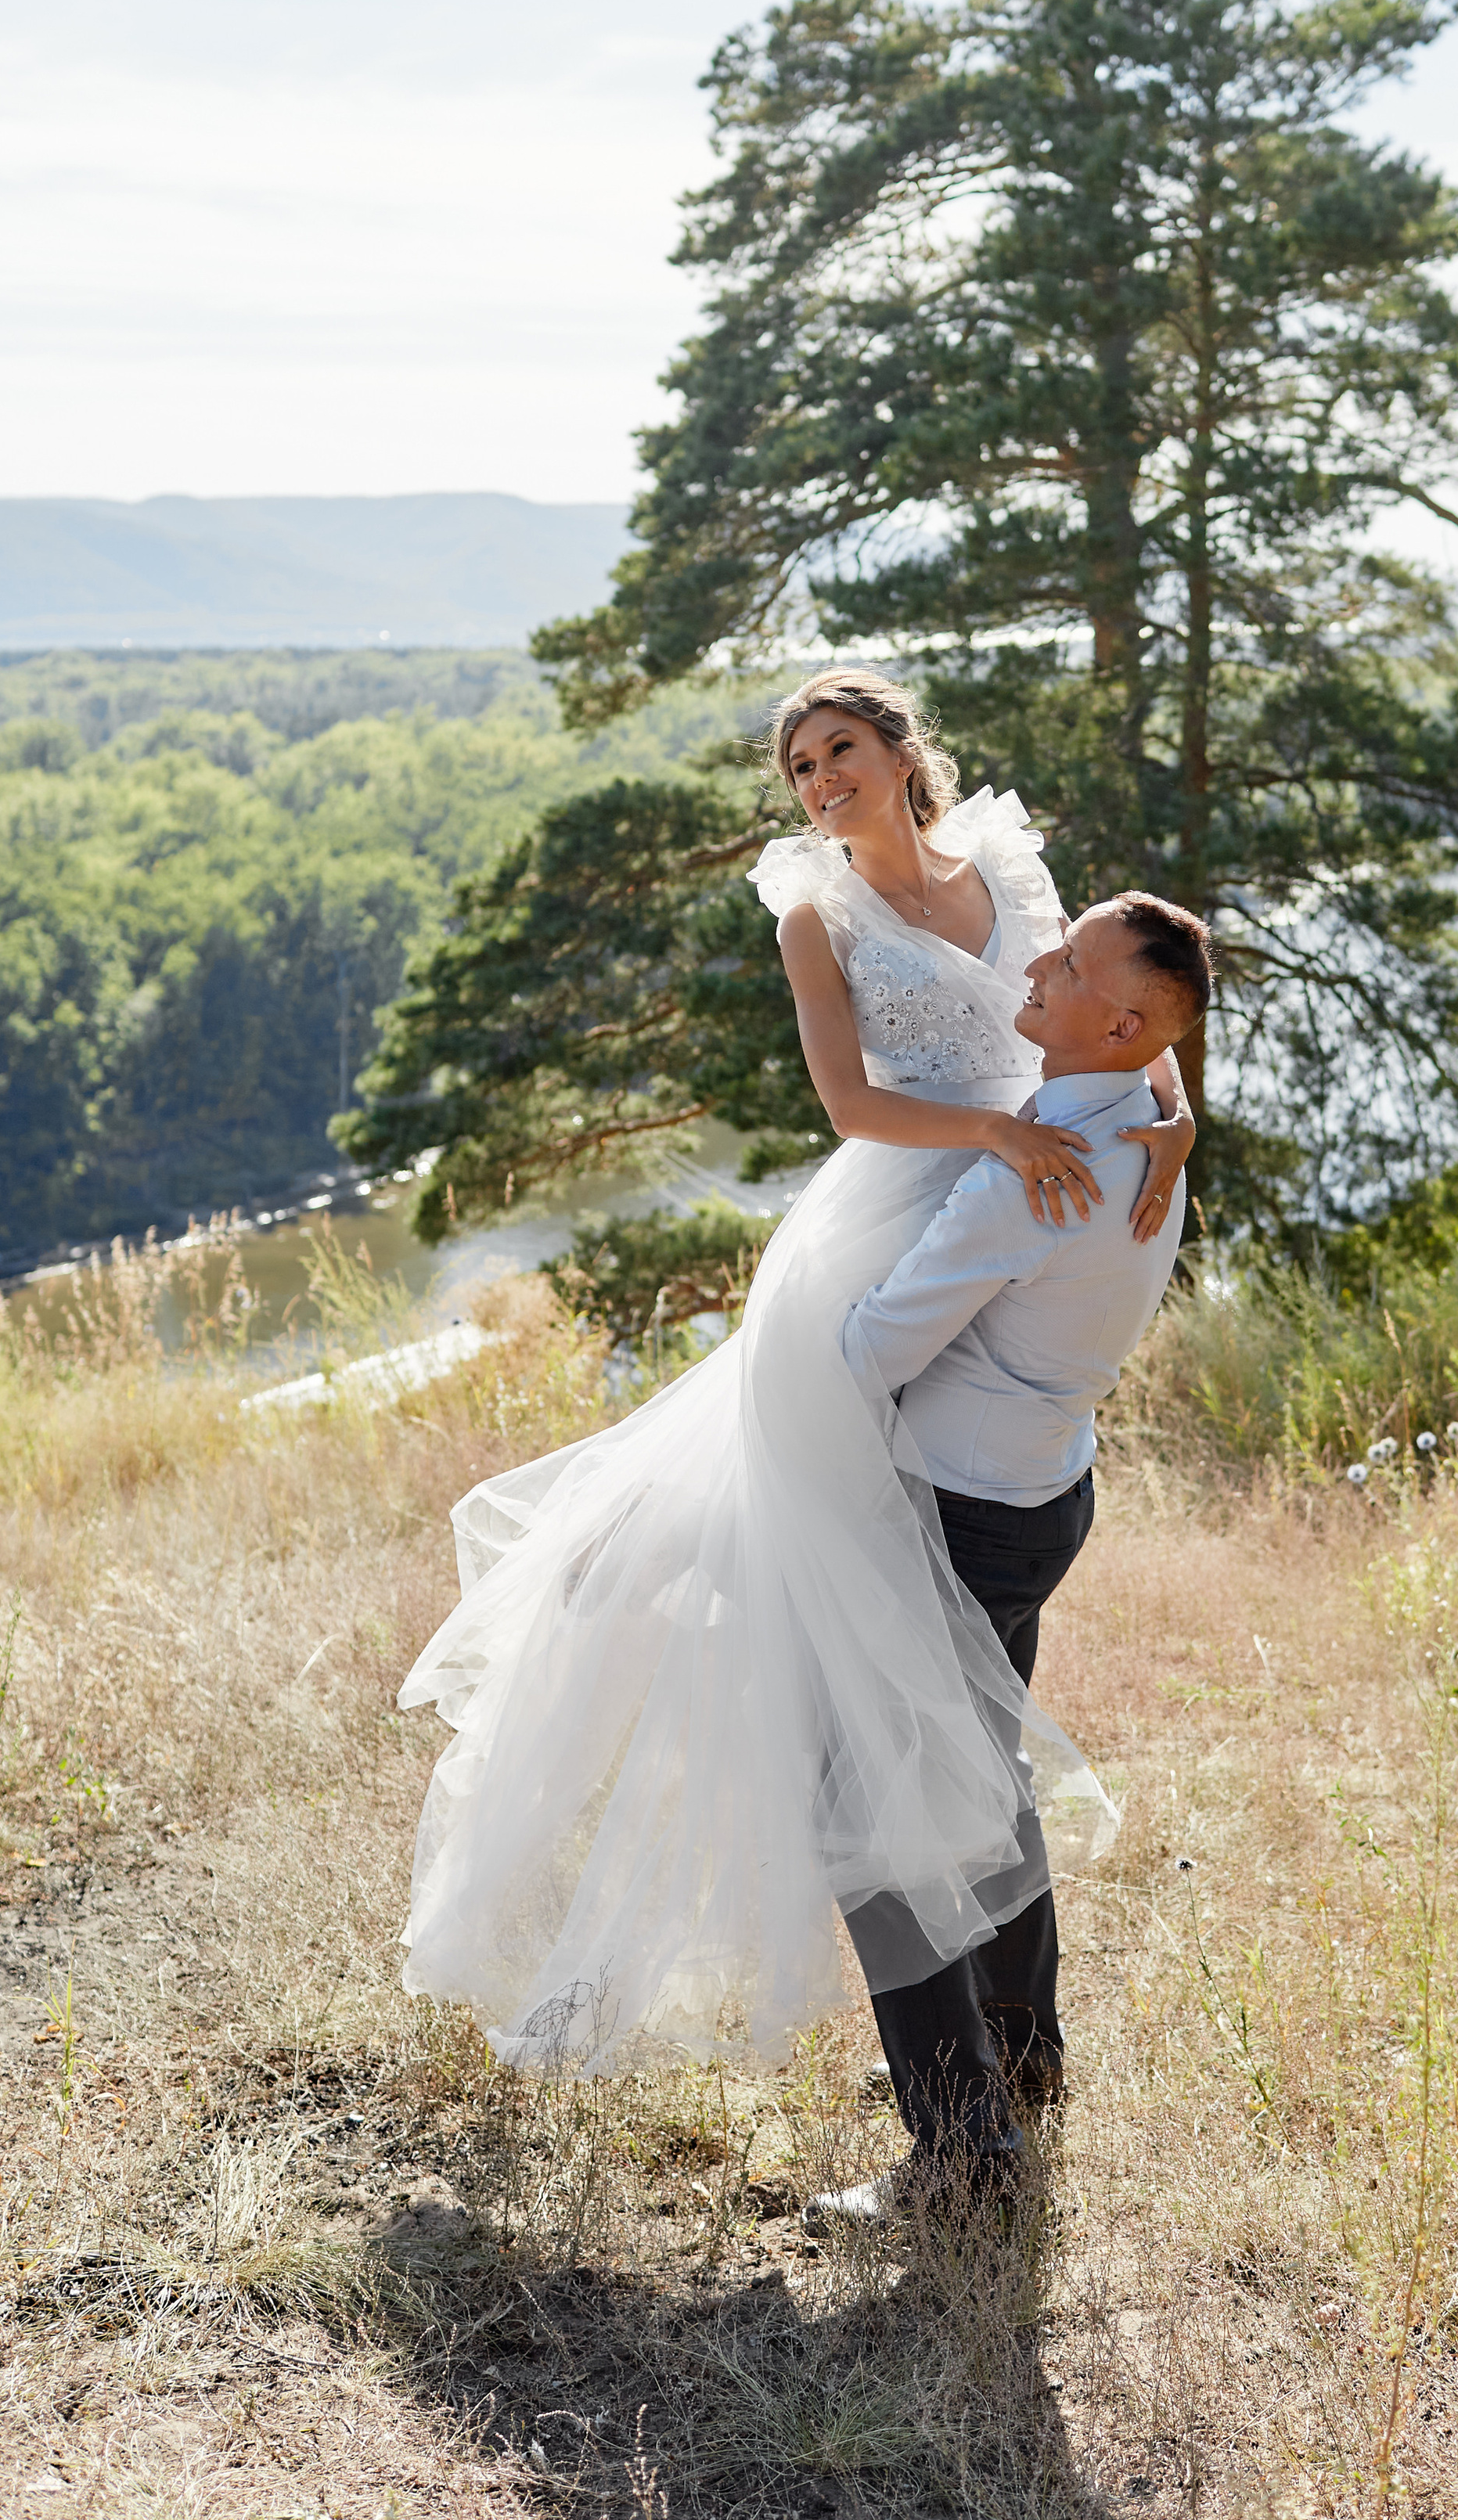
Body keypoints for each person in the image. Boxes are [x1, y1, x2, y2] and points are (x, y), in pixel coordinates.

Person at [395, 670, 1195, 2074]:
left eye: (841, 750)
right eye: (800, 767)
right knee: (814, 1572)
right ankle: (938, 2034)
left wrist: (1172, 1122)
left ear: (901, 751)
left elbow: (1118, 1003)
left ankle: (994, 2059)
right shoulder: (813, 913)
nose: (822, 780)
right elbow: (848, 1102)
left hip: (1035, 1195)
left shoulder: (1007, 862)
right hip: (917, 1200)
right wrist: (997, 1137)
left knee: (954, 1689)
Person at [805, 891, 1215, 2228]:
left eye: (1070, 961)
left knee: (871, 1813)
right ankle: (1019, 2059)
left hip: (961, 1512)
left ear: (1122, 1023)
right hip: (1044, 1493)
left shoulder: (1028, 1182)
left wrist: (796, 1304)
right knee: (979, 1780)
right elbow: (1165, 1053)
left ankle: (966, 2154)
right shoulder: (1148, 1122)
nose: (1036, 962)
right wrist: (1183, 1108)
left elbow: (870, 1352)